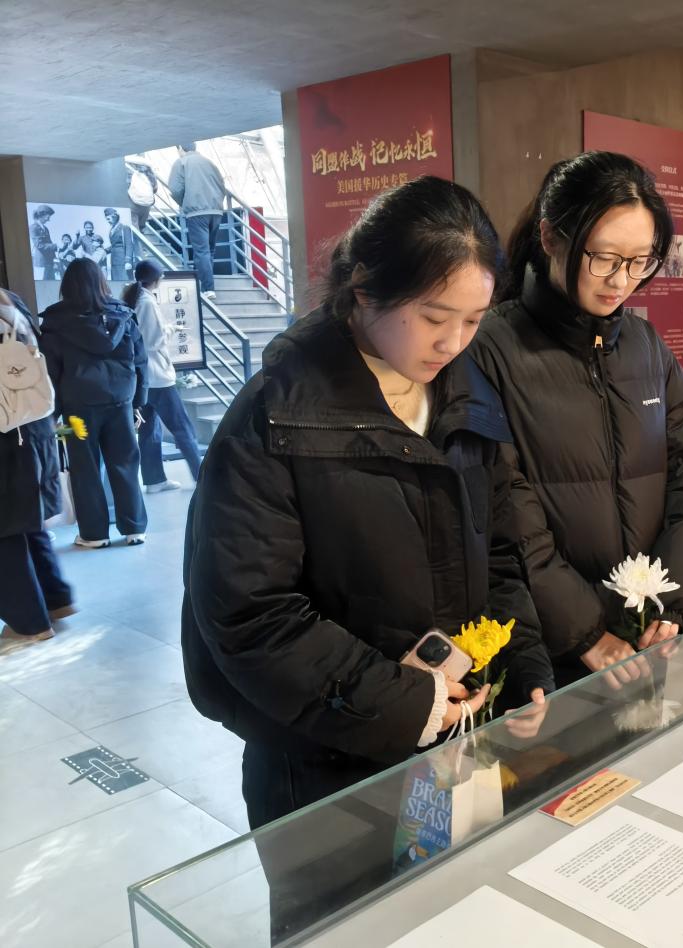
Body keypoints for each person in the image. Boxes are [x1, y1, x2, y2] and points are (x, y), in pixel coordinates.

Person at [182, 176, 554, 836]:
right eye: (434, 318)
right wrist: (404, 703)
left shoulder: (464, 397)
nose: (453, 343)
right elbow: (249, 613)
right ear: (365, 290)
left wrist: (520, 657)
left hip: (451, 734)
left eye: (473, 321)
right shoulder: (274, 417)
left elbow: (498, 550)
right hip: (319, 764)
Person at [468, 152, 683, 686]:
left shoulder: (645, 346)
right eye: (604, 258)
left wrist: (669, 606)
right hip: (547, 645)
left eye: (640, 261)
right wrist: (584, 632)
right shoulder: (491, 347)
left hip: (642, 635)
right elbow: (505, 508)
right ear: (550, 236)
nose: (621, 281)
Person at [38, 259, 149, 548]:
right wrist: (138, 403)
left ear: (67, 285)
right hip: (120, 402)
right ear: (101, 281)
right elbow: (140, 361)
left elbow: (50, 372)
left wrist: (53, 414)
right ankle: (134, 529)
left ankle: (94, 534)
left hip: (78, 408)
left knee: (85, 469)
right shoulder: (122, 315)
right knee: (126, 463)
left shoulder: (56, 322)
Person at [0, 290, 75, 657]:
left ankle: (29, 623)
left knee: (4, 532)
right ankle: (56, 599)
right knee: (29, 524)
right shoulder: (12, 305)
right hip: (35, 427)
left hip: (7, 436)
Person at [124, 260, 201, 492]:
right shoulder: (147, 302)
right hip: (158, 376)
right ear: (156, 279)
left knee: (149, 430)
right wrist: (171, 329)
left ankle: (154, 480)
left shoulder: (134, 298)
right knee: (182, 428)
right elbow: (154, 340)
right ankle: (201, 476)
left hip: (144, 377)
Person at [168, 143, 226, 299]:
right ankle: (206, 283)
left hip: (196, 212)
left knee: (201, 251)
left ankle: (208, 288)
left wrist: (185, 203)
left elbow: (175, 189)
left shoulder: (181, 162)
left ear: (180, 148)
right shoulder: (209, 162)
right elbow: (222, 186)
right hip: (216, 211)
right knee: (209, 251)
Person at [127, 162, 158, 232]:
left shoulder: (130, 172)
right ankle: (141, 232)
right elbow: (155, 189)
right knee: (141, 225)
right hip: (146, 205)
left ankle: (136, 237)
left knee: (134, 224)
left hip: (133, 203)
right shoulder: (151, 175)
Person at [30, 206, 56, 280]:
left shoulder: (45, 229)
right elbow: (39, 245)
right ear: (42, 215)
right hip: (41, 263)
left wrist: (54, 258)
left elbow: (49, 242)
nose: (49, 218)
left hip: (49, 263)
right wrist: (55, 246)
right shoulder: (33, 227)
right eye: (48, 215)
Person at [104, 208, 131, 281]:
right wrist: (104, 250)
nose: (108, 221)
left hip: (122, 261)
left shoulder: (124, 228)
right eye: (107, 219)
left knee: (123, 281)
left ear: (114, 217)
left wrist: (128, 261)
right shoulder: (112, 230)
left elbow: (129, 244)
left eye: (108, 219)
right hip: (113, 260)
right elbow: (114, 245)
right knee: (115, 280)